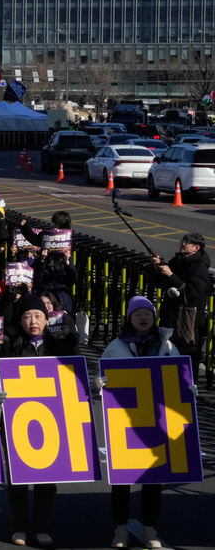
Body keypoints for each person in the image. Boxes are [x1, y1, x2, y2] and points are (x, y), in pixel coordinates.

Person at [100, 297, 182, 550]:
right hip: (124, 421)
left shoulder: (167, 345)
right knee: (122, 479)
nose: (143, 317)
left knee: (153, 478)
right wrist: (99, 385)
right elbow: (100, 379)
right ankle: (121, 529)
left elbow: (179, 376)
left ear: (154, 316)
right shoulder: (115, 346)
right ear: (129, 318)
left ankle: (149, 529)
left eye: (148, 313)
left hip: (157, 422)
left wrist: (188, 388)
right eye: (138, 314)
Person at [1, 295, 78, 548]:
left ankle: (43, 528)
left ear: (47, 319)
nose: (32, 321)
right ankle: (19, 527)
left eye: (37, 316)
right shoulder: (10, 347)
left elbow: (73, 378)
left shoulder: (60, 346)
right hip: (17, 420)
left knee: (47, 478)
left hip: (49, 420)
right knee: (17, 481)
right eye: (26, 316)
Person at [150, 233, 211, 378]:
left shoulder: (199, 266)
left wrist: (171, 275)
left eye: (188, 242)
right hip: (171, 315)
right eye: (183, 241)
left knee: (186, 356)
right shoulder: (178, 260)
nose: (183, 244)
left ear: (196, 248)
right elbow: (162, 284)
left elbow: (192, 291)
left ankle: (188, 388)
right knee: (167, 350)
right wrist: (157, 268)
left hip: (188, 319)